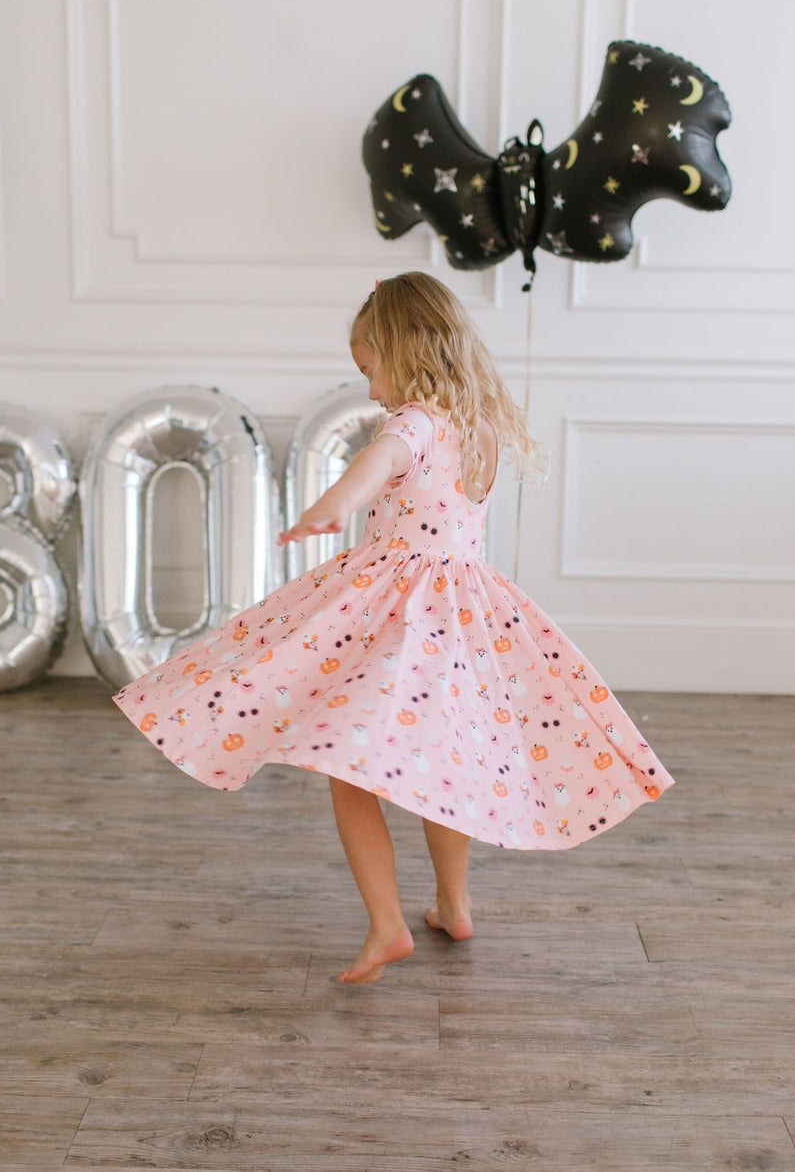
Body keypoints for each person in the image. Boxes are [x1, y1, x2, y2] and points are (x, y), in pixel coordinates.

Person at [113, 272, 673, 984]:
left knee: (348, 770)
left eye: (370, 368)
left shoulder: (412, 421)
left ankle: (387, 926)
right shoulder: (483, 429)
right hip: (467, 616)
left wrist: (332, 505)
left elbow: (378, 465)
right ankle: (454, 904)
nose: (372, 388)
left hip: (401, 615)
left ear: (401, 353)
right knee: (442, 768)